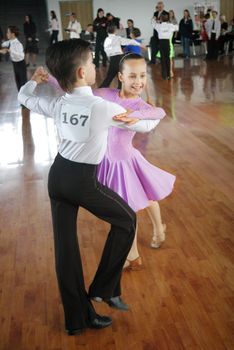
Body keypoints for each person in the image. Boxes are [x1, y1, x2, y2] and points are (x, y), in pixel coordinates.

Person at [18, 39, 161, 335]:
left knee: (65, 250)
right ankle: (104, 288)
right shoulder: (102, 107)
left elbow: (26, 98)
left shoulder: (59, 102)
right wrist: (147, 115)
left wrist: (34, 82)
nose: (98, 67)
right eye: (93, 63)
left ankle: (77, 318)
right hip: (82, 181)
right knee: (126, 219)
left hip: (57, 178)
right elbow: (145, 126)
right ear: (83, 72)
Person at [94, 54, 175, 269]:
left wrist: (137, 114)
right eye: (132, 76)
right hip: (107, 163)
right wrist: (52, 78)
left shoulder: (140, 104)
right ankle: (158, 229)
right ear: (120, 76)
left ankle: (133, 254)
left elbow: (161, 111)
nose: (138, 81)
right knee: (142, 197)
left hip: (126, 161)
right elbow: (78, 93)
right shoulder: (106, 95)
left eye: (142, 75)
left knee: (130, 205)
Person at [0, 26, 27, 92]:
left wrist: (10, 51)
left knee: (23, 83)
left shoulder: (18, 44)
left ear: (13, 34)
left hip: (21, 65)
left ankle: (25, 100)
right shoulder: (9, 42)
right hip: (15, 65)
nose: (6, 34)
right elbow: (3, 45)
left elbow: (21, 55)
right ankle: (21, 100)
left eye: (8, 32)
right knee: (18, 83)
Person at [152, 14, 178, 79]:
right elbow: (177, 27)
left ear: (161, 19)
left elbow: (152, 23)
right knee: (168, 59)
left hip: (161, 43)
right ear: (168, 19)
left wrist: (154, 18)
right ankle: (169, 75)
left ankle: (164, 76)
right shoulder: (170, 25)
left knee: (163, 59)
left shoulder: (158, 26)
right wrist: (174, 21)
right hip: (167, 43)